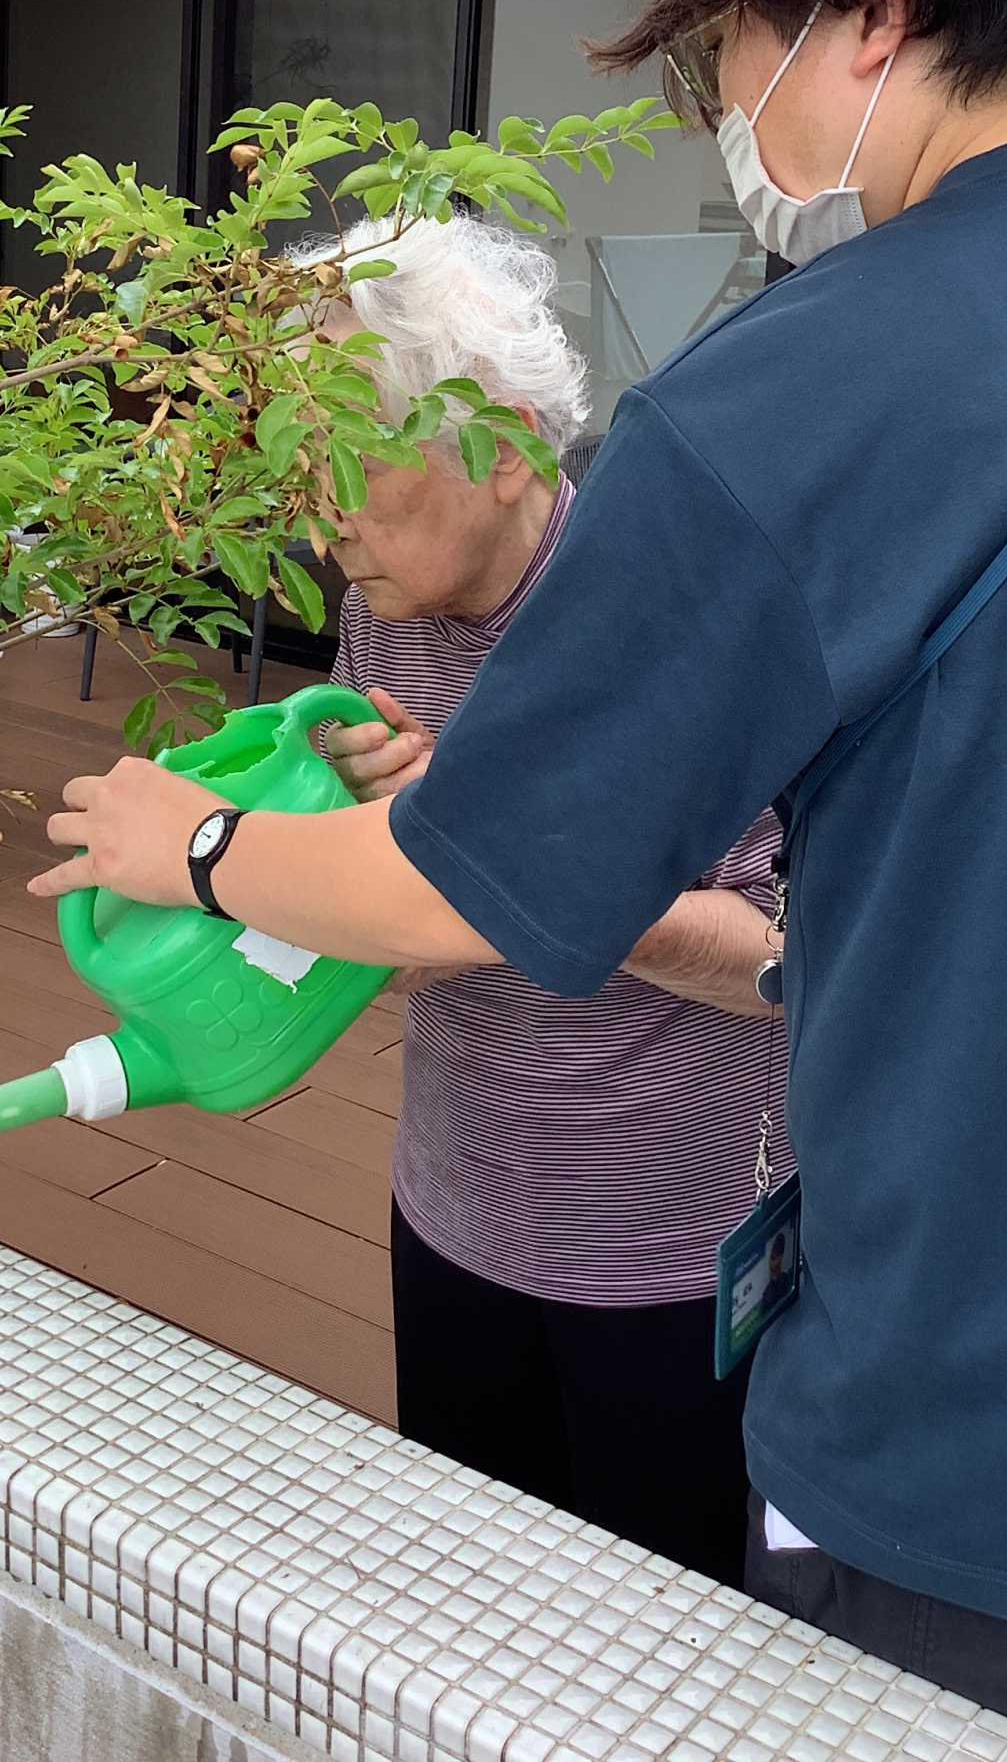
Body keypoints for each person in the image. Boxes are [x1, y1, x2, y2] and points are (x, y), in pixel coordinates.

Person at [32, 0, 1007, 1762]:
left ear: (863, 8)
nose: (732, 110)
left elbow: (460, 886)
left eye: (725, 45)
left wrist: (205, 843)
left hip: (982, 1474)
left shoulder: (782, 404)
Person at [296, 210, 782, 1588]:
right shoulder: (386, 603)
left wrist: (514, 855)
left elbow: (777, 962)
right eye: (299, 465)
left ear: (505, 447)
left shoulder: (670, 620)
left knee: (668, 1633)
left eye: (354, 463)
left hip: (667, 1244)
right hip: (456, 1197)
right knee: (477, 1611)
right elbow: (403, 918)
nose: (321, 518)